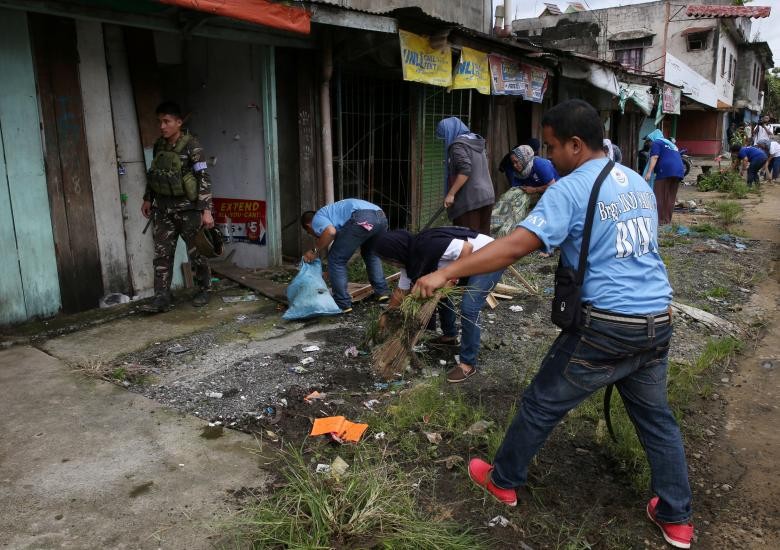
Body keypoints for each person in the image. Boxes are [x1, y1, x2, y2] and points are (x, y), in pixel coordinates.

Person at [414, 99, 693, 550]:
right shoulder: (639, 184)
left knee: (541, 403)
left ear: (576, 145)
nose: (548, 157)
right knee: (657, 421)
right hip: (657, 321)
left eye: (551, 146)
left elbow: (512, 247)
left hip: (604, 327)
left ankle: (502, 480)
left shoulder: (571, 189)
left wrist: (445, 272)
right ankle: (677, 517)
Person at [374, 227, 503, 383]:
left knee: (469, 307)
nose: (390, 263)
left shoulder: (428, 245)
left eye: (388, 259)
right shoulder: (412, 260)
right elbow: (401, 292)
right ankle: (450, 336)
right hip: (470, 258)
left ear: (395, 251)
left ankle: (468, 364)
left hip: (489, 254)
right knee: (439, 295)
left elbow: (466, 248)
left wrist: (453, 280)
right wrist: (387, 315)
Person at [141, 101, 214, 313]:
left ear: (178, 122)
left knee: (197, 252)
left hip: (189, 210)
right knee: (162, 254)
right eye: (159, 122)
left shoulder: (193, 146)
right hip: (164, 210)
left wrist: (206, 210)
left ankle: (204, 289)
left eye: (167, 121)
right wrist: (148, 198)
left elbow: (204, 177)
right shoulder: (159, 146)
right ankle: (162, 297)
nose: (162, 126)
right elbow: (155, 174)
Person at [301, 199, 389, 313]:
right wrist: (331, 272)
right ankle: (382, 292)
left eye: (309, 232)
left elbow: (330, 232)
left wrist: (314, 250)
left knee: (336, 259)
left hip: (362, 217)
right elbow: (344, 248)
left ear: (309, 226)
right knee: (371, 254)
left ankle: (342, 303)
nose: (313, 235)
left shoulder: (317, 218)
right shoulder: (334, 216)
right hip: (381, 217)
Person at [435, 117, 495, 234]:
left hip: (470, 200)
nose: (444, 141)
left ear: (449, 132)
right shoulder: (475, 141)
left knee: (468, 239)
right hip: (487, 196)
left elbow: (465, 170)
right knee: (483, 239)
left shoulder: (457, 145)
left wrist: (451, 194)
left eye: (444, 137)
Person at [644, 129, 685, 225]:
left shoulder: (657, 142)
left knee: (660, 195)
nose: (648, 145)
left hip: (666, 170)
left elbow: (654, 157)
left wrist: (649, 173)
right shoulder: (671, 144)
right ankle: (666, 220)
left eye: (648, 141)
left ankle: (659, 220)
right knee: (670, 196)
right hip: (679, 171)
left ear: (652, 139)